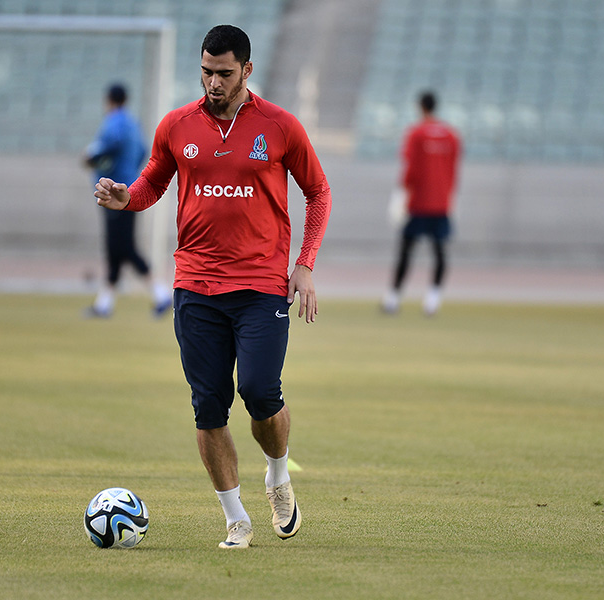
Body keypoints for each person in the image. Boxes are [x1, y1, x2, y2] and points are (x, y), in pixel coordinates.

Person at [94, 25, 332, 549]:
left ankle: (277, 476)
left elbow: (317, 191)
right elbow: (153, 182)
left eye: (224, 73)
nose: (213, 82)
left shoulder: (280, 126)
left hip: (261, 286)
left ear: (247, 70)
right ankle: (236, 519)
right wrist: (127, 198)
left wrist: (305, 263)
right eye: (206, 71)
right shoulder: (176, 125)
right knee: (208, 407)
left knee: (260, 392)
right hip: (195, 286)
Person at [84, 83, 172, 318]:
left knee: (123, 247)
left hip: (115, 193)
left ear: (109, 100)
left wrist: (93, 158)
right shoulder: (133, 123)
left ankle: (161, 293)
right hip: (131, 189)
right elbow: (142, 150)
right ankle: (104, 304)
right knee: (116, 247)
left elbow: (108, 145)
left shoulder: (114, 122)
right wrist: (130, 170)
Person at [382, 90, 461, 316]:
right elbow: (453, 170)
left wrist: (401, 195)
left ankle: (393, 298)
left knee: (406, 251)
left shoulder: (416, 133)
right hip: (441, 203)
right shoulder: (451, 135)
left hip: (418, 203)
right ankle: (432, 300)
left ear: (421, 107)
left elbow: (411, 168)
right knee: (440, 252)